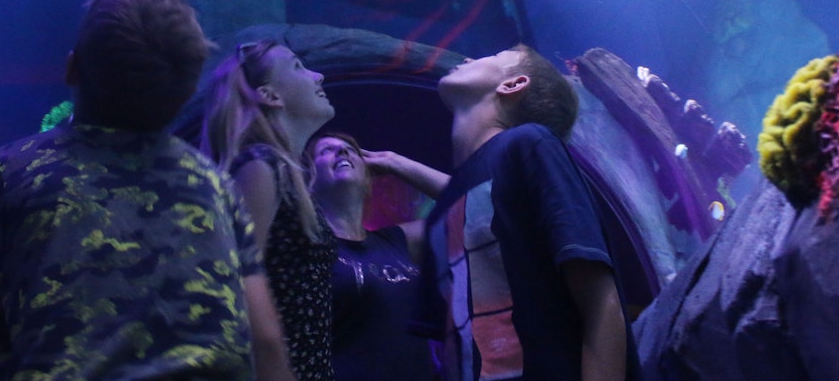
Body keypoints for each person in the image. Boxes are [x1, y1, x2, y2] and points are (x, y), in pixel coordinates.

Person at [0, 0, 295, 381]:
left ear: (71, 68)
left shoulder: (8, 172)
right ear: (188, 89)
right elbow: (267, 343)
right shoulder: (216, 186)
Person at [413, 44, 641, 381]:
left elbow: (600, 303)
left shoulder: (528, 146)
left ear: (513, 84)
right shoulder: (441, 211)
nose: (467, 58)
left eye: (488, 56)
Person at [202, 39, 339, 381]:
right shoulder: (261, 168)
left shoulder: (285, 174)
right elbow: (231, 293)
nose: (318, 76)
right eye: (297, 66)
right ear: (270, 96)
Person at [305, 131, 448, 381]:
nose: (342, 151)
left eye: (352, 150)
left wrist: (394, 161)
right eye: (326, 150)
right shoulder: (305, 248)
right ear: (307, 180)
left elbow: (473, 201)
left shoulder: (397, 242)